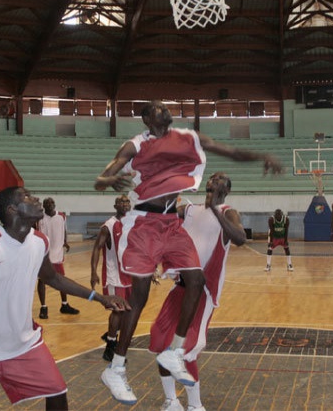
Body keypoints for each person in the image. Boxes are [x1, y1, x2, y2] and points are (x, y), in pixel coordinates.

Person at [95, 100, 283, 405]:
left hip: (168, 224)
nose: (165, 110)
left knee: (195, 281)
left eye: (166, 107)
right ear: (146, 118)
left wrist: (261, 155)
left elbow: (230, 152)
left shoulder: (187, 139)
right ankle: (117, 368)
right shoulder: (135, 145)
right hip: (143, 223)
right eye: (157, 108)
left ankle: (176, 353)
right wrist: (107, 180)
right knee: (138, 300)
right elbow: (102, 177)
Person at [0, 186, 129, 411]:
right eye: (27, 196)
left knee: (57, 392)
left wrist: (99, 297)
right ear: (12, 209)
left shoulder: (39, 242)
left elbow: (53, 278)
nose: (35, 199)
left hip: (23, 346)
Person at [150, 172, 246, 411]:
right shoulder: (191, 209)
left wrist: (214, 209)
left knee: (186, 349)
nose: (214, 180)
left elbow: (240, 238)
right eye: (212, 178)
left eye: (220, 180)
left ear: (226, 190)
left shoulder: (227, 212)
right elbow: (164, 219)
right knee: (161, 342)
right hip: (179, 287)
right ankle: (171, 401)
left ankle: (195, 406)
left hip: (202, 292)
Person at [90, 195, 132, 361]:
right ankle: (110, 348)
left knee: (128, 311)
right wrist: (93, 272)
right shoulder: (108, 226)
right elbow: (96, 249)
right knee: (118, 310)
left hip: (130, 276)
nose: (125, 204)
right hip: (114, 276)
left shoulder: (132, 223)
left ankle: (110, 335)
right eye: (121, 202)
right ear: (115, 206)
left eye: (127, 201)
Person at [36, 197, 79, 319]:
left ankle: (64, 305)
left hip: (57, 253)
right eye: (46, 203)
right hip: (43, 254)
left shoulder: (61, 216)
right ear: (44, 206)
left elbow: (64, 230)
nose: (49, 205)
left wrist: (65, 241)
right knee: (41, 280)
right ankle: (43, 307)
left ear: (54, 204)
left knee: (61, 280)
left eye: (51, 203)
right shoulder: (40, 218)